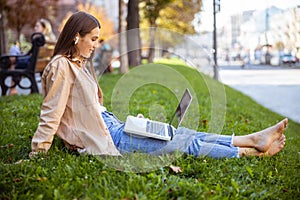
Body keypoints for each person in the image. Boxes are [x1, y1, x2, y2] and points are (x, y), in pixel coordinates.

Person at [30, 11, 288, 159]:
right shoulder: (60, 67)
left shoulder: (79, 65)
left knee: (183, 134)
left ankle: (251, 139)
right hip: (111, 138)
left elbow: (94, 111)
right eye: (93, 39)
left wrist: (134, 124)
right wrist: (38, 152)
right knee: (183, 142)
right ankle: (251, 151)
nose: (96, 44)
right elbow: (51, 114)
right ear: (77, 37)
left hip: (116, 127)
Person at [8, 18, 57, 95]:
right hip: (40, 64)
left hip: (31, 65)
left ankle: (12, 89)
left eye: (37, 26)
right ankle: (13, 89)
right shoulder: (50, 39)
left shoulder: (39, 39)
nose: (35, 28)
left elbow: (30, 55)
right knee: (13, 57)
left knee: (13, 59)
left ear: (44, 28)